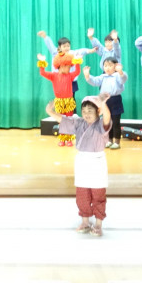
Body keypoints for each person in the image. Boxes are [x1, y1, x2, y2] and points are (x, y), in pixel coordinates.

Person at [46, 95, 112, 237]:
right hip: (82, 162)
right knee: (82, 194)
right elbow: (64, 120)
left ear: (98, 111)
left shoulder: (101, 125)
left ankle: (98, 224)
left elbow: (107, 117)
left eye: (90, 111)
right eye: (84, 111)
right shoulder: (79, 123)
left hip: (97, 162)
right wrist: (50, 112)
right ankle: (85, 221)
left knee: (98, 194)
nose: (86, 114)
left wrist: (103, 104)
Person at [38, 50, 82, 146]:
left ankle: (69, 139)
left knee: (69, 120)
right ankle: (62, 138)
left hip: (69, 102)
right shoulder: (53, 76)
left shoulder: (70, 76)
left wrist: (77, 61)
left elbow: (77, 71)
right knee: (61, 120)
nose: (69, 69)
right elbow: (42, 73)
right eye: (68, 67)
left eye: (70, 67)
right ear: (62, 65)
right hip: (59, 102)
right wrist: (42, 62)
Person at [84, 57, 128, 149]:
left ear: (115, 66)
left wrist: (120, 72)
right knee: (107, 122)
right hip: (105, 101)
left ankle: (117, 142)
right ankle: (109, 140)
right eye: (105, 66)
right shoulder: (102, 76)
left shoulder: (117, 76)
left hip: (115, 100)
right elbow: (94, 81)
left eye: (110, 65)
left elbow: (123, 79)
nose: (107, 68)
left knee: (115, 122)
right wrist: (88, 76)